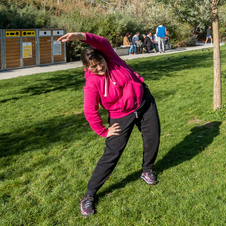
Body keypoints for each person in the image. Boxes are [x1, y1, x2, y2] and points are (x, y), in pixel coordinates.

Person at [57, 32, 161, 217]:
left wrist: (80, 36)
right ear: (87, 67)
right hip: (121, 116)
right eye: (93, 67)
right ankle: (89, 195)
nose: (99, 68)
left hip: (144, 103)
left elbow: (102, 41)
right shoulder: (92, 82)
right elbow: (90, 111)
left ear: (104, 57)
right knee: (112, 153)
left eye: (100, 63)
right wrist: (103, 131)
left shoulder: (112, 59)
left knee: (153, 137)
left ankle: (147, 170)